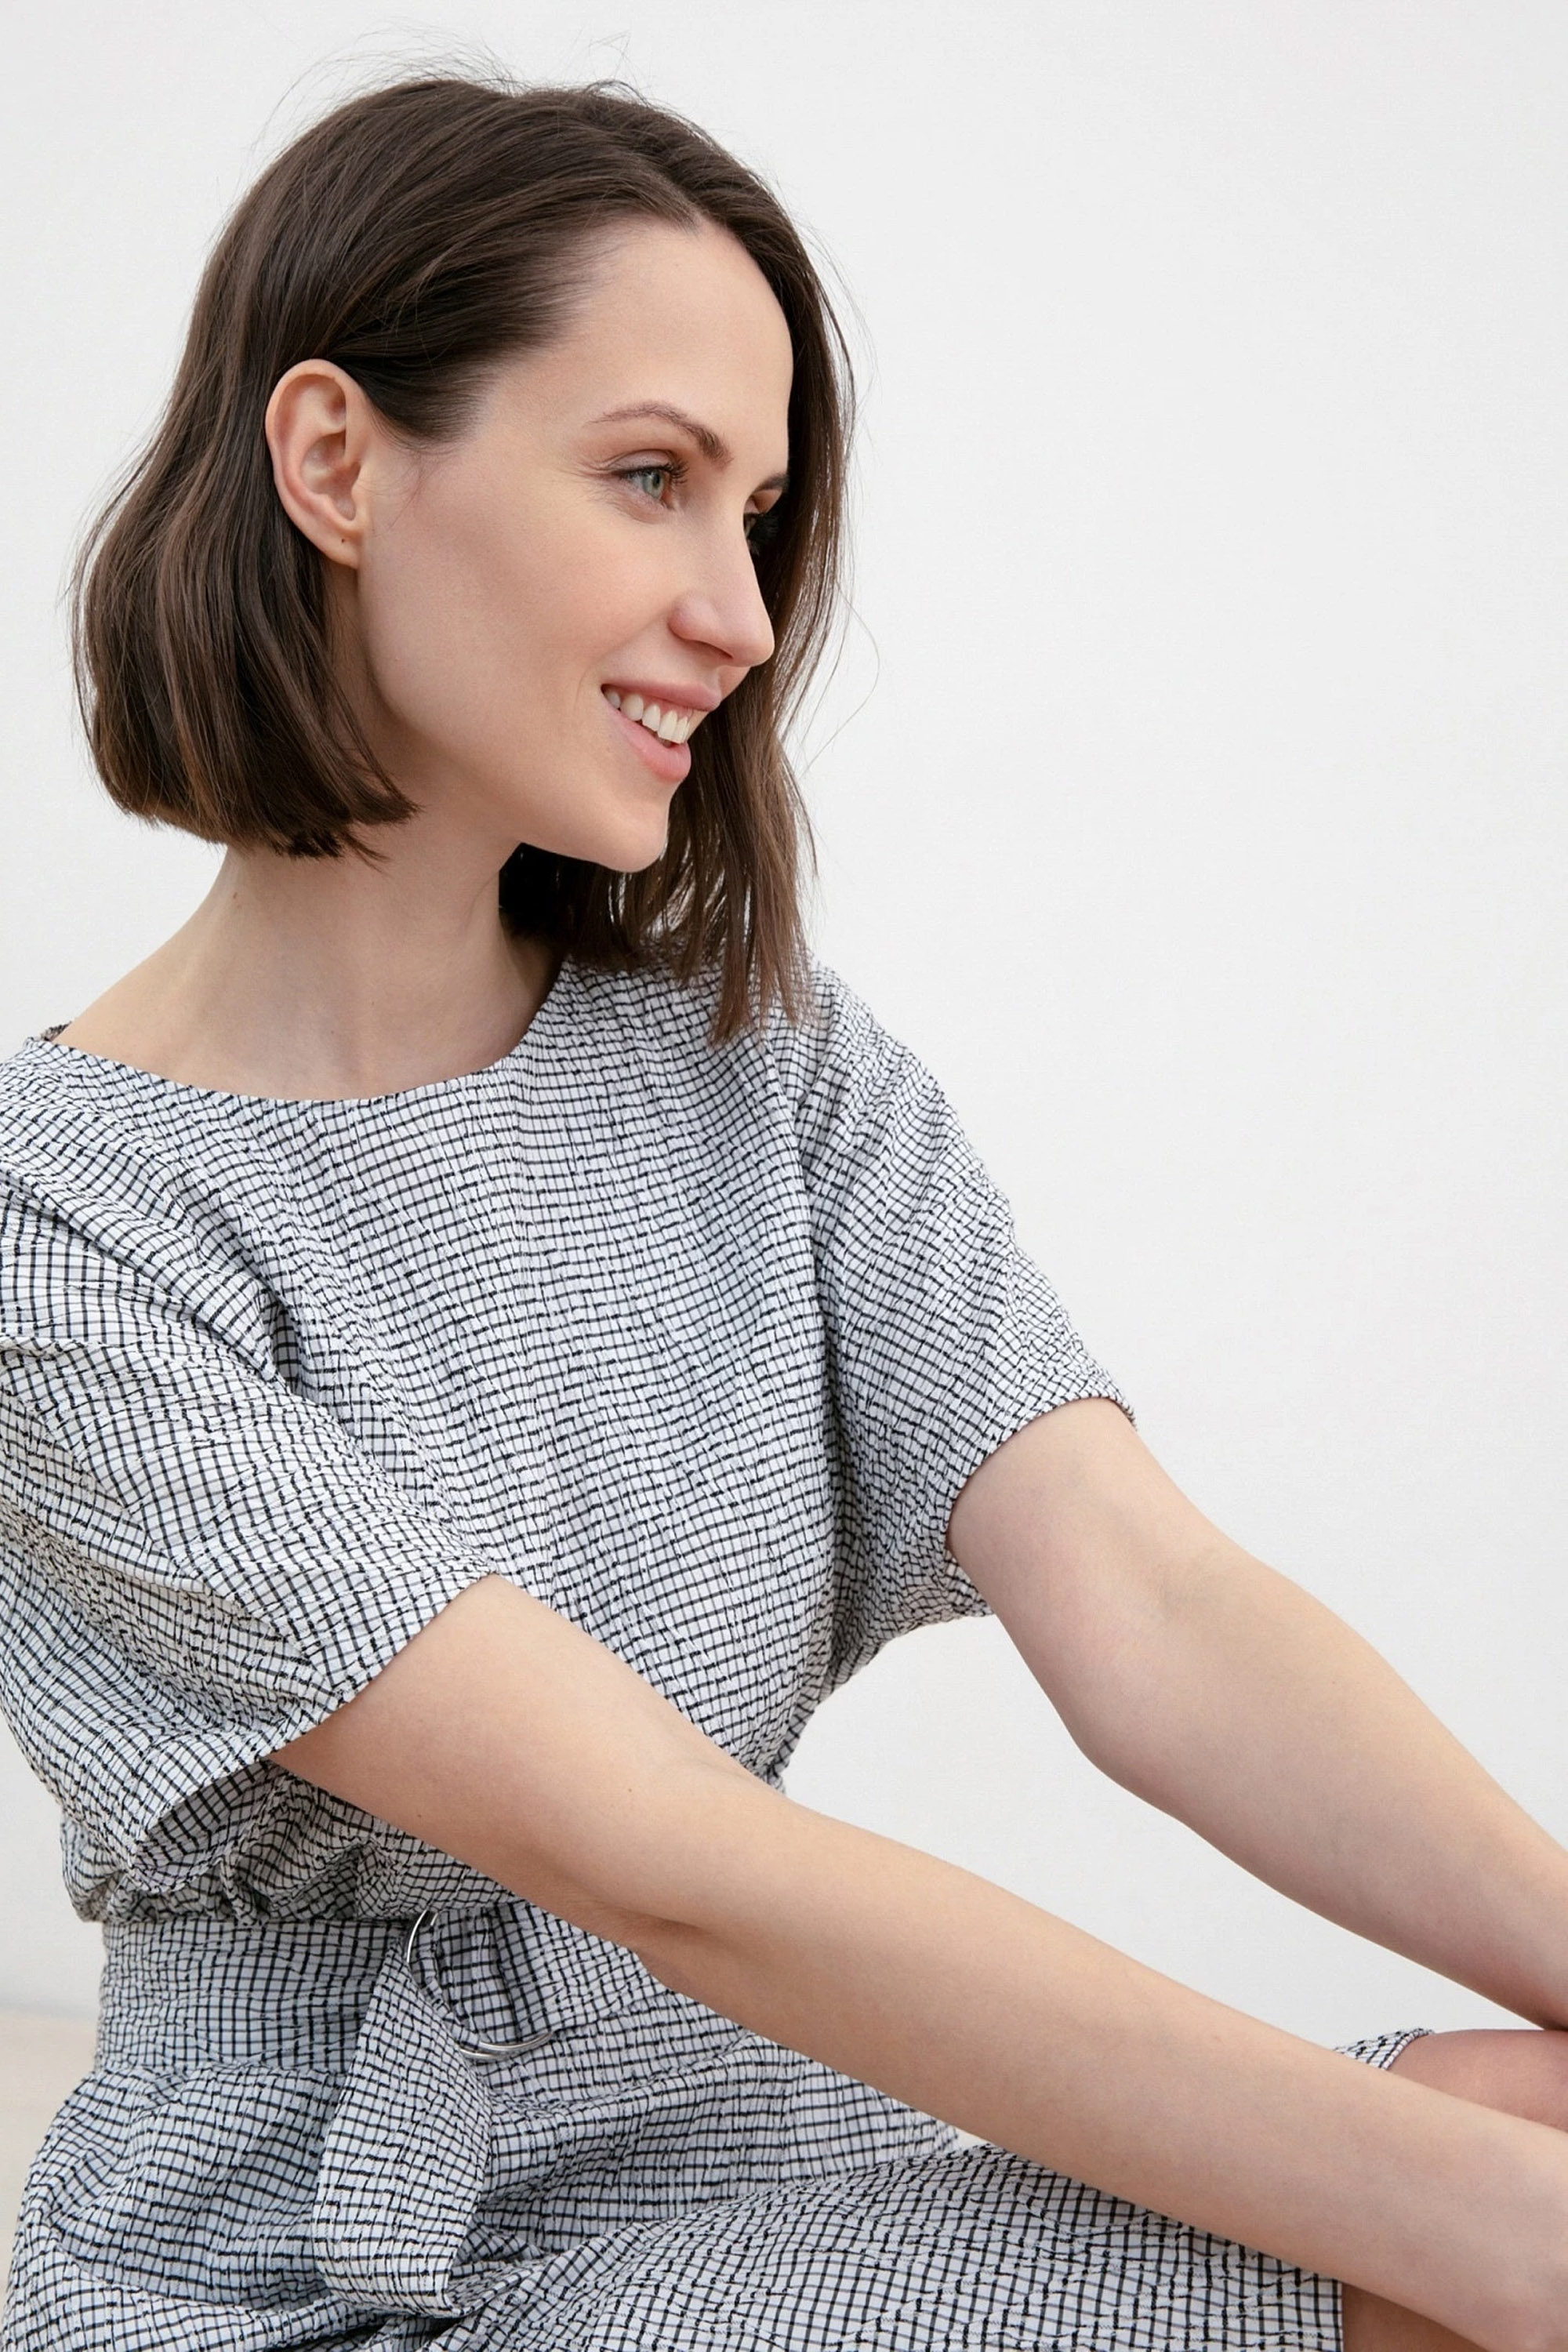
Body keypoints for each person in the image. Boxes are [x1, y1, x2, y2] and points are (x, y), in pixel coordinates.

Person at [2, 69, 1568, 2352]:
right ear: (335, 461)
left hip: (767, 2137)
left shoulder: (766, 1067)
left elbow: (1151, 1605)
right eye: (650, 477)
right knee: (1477, 2244)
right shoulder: (58, 1233)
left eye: (758, 513)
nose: (740, 614)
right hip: (336, 2273)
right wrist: (1489, 2239)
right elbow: (666, 1859)